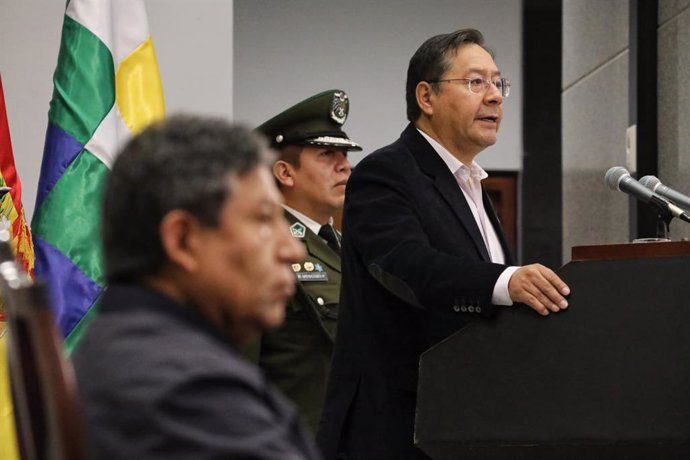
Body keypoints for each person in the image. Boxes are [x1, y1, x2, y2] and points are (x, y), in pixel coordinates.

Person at [317, 28, 571, 459]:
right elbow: (405, 265)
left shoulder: (473, 187)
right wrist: (505, 282)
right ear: (426, 97)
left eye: (498, 83)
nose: (494, 97)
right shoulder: (387, 172)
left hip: (462, 422)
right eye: (475, 82)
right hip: (395, 428)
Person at [72, 115, 322, 459]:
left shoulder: (134, 350)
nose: (292, 250)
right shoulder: (186, 390)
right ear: (183, 240)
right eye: (264, 219)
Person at [252, 90, 360, 434]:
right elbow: (239, 364)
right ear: (285, 173)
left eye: (344, 154)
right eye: (327, 154)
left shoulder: (345, 245)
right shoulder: (263, 247)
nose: (344, 165)